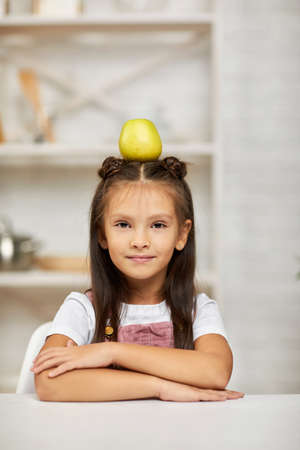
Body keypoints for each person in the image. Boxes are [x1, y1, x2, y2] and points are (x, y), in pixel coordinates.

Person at [32, 155, 245, 402]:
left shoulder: (198, 310)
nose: (140, 241)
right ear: (102, 234)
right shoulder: (83, 308)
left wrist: (111, 352)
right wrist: (159, 387)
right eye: (123, 224)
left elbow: (215, 372)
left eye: (158, 225)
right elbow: (49, 382)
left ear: (182, 234)